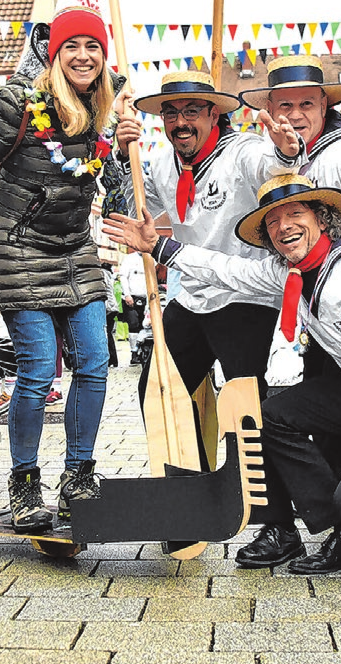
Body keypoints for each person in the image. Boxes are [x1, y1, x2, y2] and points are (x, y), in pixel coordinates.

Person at [104, 173, 341, 574]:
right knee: (271, 415)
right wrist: (159, 246)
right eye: (272, 221)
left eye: (295, 213)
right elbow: (224, 268)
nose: (283, 226)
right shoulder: (284, 274)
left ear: (322, 219)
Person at [0, 0, 120, 533]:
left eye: (93, 46)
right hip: (16, 245)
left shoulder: (107, 112)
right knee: (41, 367)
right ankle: (24, 483)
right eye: (72, 46)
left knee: (93, 361)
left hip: (74, 249)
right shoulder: (20, 102)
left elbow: (116, 195)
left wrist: (130, 144)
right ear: (54, 51)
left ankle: (79, 475)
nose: (83, 55)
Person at [112, 70, 302, 409]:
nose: (180, 122)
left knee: (244, 405)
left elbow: (268, 166)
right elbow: (140, 210)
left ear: (214, 114)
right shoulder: (160, 165)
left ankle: (250, 463)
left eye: (191, 111)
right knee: (158, 394)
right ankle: (188, 464)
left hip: (246, 295)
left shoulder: (241, 151)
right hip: (194, 295)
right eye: (171, 113)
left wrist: (284, 154)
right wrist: (127, 159)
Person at [240, 54, 341, 254]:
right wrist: (285, 155)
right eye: (285, 105)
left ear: (323, 106)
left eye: (306, 104)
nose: (295, 115)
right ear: (270, 109)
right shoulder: (266, 148)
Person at [118, 250, 147, 365]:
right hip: (131, 298)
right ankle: (134, 352)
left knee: (145, 325)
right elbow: (123, 277)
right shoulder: (129, 259)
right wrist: (127, 295)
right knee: (133, 326)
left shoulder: (151, 259)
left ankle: (144, 351)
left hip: (147, 298)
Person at [100, 262, 119, 368]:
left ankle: (111, 359)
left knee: (106, 334)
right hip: (112, 307)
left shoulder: (102, 274)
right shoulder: (108, 275)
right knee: (109, 333)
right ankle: (113, 359)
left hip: (108, 308)